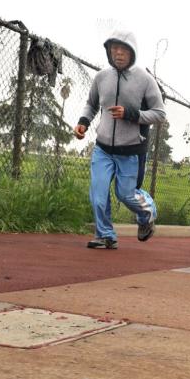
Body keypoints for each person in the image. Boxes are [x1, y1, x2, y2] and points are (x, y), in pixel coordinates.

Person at [73, 31, 165, 249]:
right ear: (109, 51)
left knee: (126, 195)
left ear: (132, 52)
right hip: (103, 148)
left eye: (123, 49)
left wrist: (132, 114)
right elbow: (92, 104)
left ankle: (147, 214)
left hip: (131, 150)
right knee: (98, 193)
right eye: (114, 48)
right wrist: (83, 123)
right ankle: (105, 235)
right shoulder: (101, 77)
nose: (118, 53)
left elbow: (159, 113)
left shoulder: (145, 80)